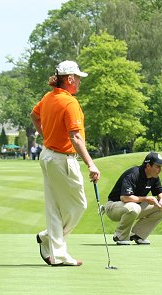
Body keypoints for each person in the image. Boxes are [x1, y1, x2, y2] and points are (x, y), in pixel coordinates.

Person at [30, 60, 100, 266]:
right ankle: (50, 240)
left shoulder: (48, 97)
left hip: (47, 156)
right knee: (78, 205)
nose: (79, 82)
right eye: (77, 78)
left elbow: (34, 116)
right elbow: (76, 137)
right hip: (62, 159)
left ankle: (54, 248)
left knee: (54, 208)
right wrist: (91, 164)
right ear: (69, 79)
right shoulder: (70, 103)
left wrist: (46, 136)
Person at [104, 152, 162, 245]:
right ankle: (120, 236)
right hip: (113, 207)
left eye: (161, 167)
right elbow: (124, 198)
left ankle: (138, 235)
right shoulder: (133, 174)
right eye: (157, 166)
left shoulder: (154, 177)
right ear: (148, 165)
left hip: (134, 207)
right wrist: (146, 199)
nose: (160, 170)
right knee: (134, 207)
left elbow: (161, 192)